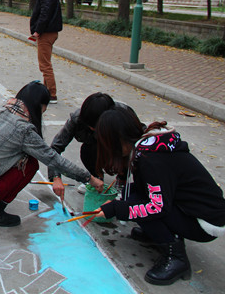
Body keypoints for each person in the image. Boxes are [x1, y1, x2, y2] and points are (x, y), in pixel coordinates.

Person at [94, 107, 225, 286]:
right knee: (131, 196)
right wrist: (119, 201)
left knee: (135, 203)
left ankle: (176, 257)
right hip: (191, 207)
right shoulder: (147, 145)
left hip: (206, 221)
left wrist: (116, 208)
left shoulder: (151, 159)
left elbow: (157, 207)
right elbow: (147, 188)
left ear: (118, 140)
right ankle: (157, 234)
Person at [0, 81, 104, 227]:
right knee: (30, 164)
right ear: (39, 106)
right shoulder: (24, 130)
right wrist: (89, 178)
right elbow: (53, 159)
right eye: (44, 109)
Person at [49, 93, 136, 199]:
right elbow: (55, 147)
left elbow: (141, 140)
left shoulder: (124, 115)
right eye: (90, 126)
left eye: (97, 126)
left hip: (117, 148)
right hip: (94, 146)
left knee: (126, 149)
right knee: (87, 150)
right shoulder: (78, 118)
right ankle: (96, 179)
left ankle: (122, 180)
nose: (93, 129)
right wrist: (56, 177)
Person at [29, 0, 63, 104]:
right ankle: (46, 92)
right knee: (45, 63)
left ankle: (52, 94)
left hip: (46, 32)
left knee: (45, 65)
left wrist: (38, 30)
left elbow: (45, 12)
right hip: (48, 31)